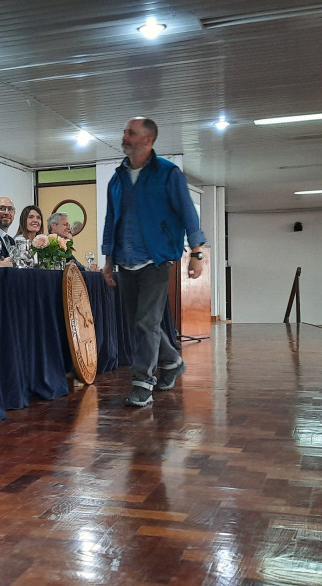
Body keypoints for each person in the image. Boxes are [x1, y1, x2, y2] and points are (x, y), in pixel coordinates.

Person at [102, 117, 207, 407]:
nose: (124, 136)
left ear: (147, 140)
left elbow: (188, 213)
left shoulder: (168, 174)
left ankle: (142, 383)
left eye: (130, 133)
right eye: (125, 131)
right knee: (141, 322)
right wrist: (108, 259)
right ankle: (172, 362)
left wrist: (197, 253)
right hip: (125, 259)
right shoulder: (117, 178)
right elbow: (111, 220)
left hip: (157, 259)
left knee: (146, 323)